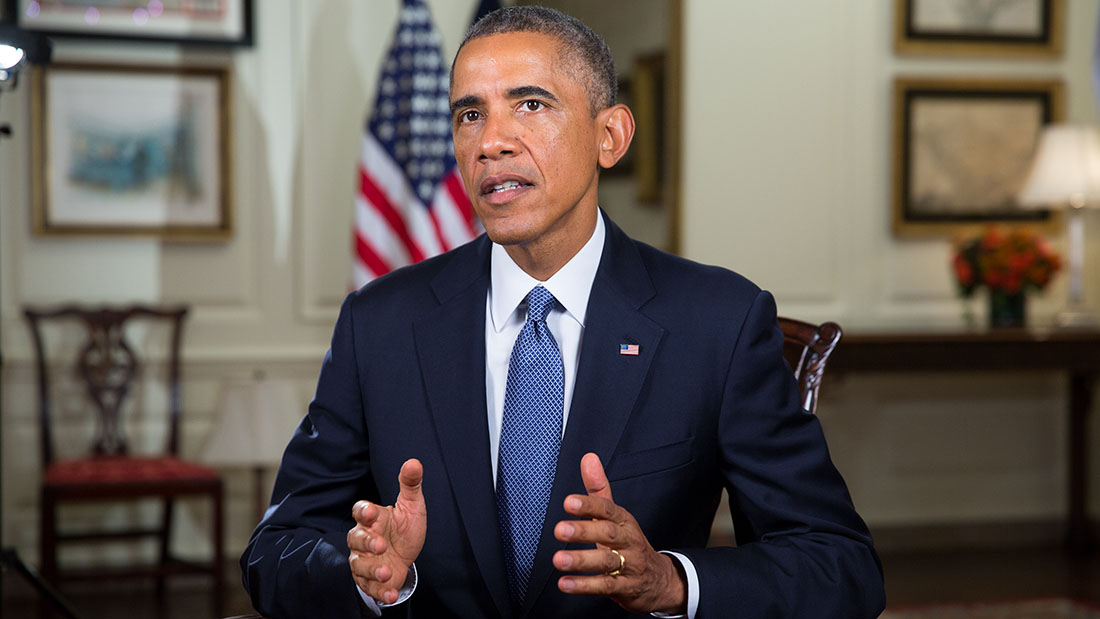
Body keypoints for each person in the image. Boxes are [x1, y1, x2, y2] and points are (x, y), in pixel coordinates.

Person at [241, 7, 885, 618]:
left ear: (610, 135)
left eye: (530, 104)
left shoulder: (718, 322)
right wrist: (365, 578)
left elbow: (841, 567)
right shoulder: (378, 323)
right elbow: (275, 550)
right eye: (469, 114)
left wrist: (668, 580)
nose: (491, 141)